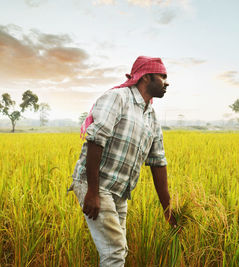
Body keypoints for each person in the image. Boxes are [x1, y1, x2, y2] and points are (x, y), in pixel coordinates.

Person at [68, 56, 177, 267]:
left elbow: (158, 162)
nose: (167, 82)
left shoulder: (151, 116)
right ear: (146, 77)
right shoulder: (118, 98)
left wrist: (168, 210)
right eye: (162, 76)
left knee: (119, 250)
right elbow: (95, 139)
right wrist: (92, 191)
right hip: (96, 185)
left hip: (119, 192)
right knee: (115, 252)